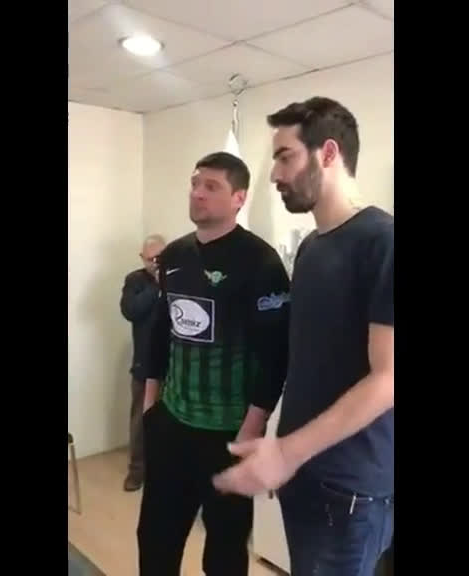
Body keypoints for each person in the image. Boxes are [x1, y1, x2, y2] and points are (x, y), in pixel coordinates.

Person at [214, 97, 395, 576]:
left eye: (285, 156)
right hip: (303, 473)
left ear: (328, 153)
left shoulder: (383, 241)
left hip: (350, 490)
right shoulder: (312, 247)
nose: (274, 174)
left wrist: (286, 453)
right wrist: (278, 444)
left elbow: (388, 378)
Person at [137, 152, 291, 576]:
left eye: (211, 186)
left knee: (224, 553)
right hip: (171, 424)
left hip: (228, 434)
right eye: (195, 183)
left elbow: (275, 355)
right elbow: (160, 333)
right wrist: (151, 405)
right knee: (155, 540)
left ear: (239, 198)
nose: (197, 193)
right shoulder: (173, 255)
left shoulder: (261, 263)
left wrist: (250, 430)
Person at [118, 234, 166, 492]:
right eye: (151, 259)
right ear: (142, 258)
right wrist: (156, 286)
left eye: (160, 258)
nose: (155, 263)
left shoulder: (178, 278)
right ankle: (136, 472)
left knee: (170, 425)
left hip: (173, 366)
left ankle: (165, 473)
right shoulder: (135, 280)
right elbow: (131, 310)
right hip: (145, 365)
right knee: (140, 421)